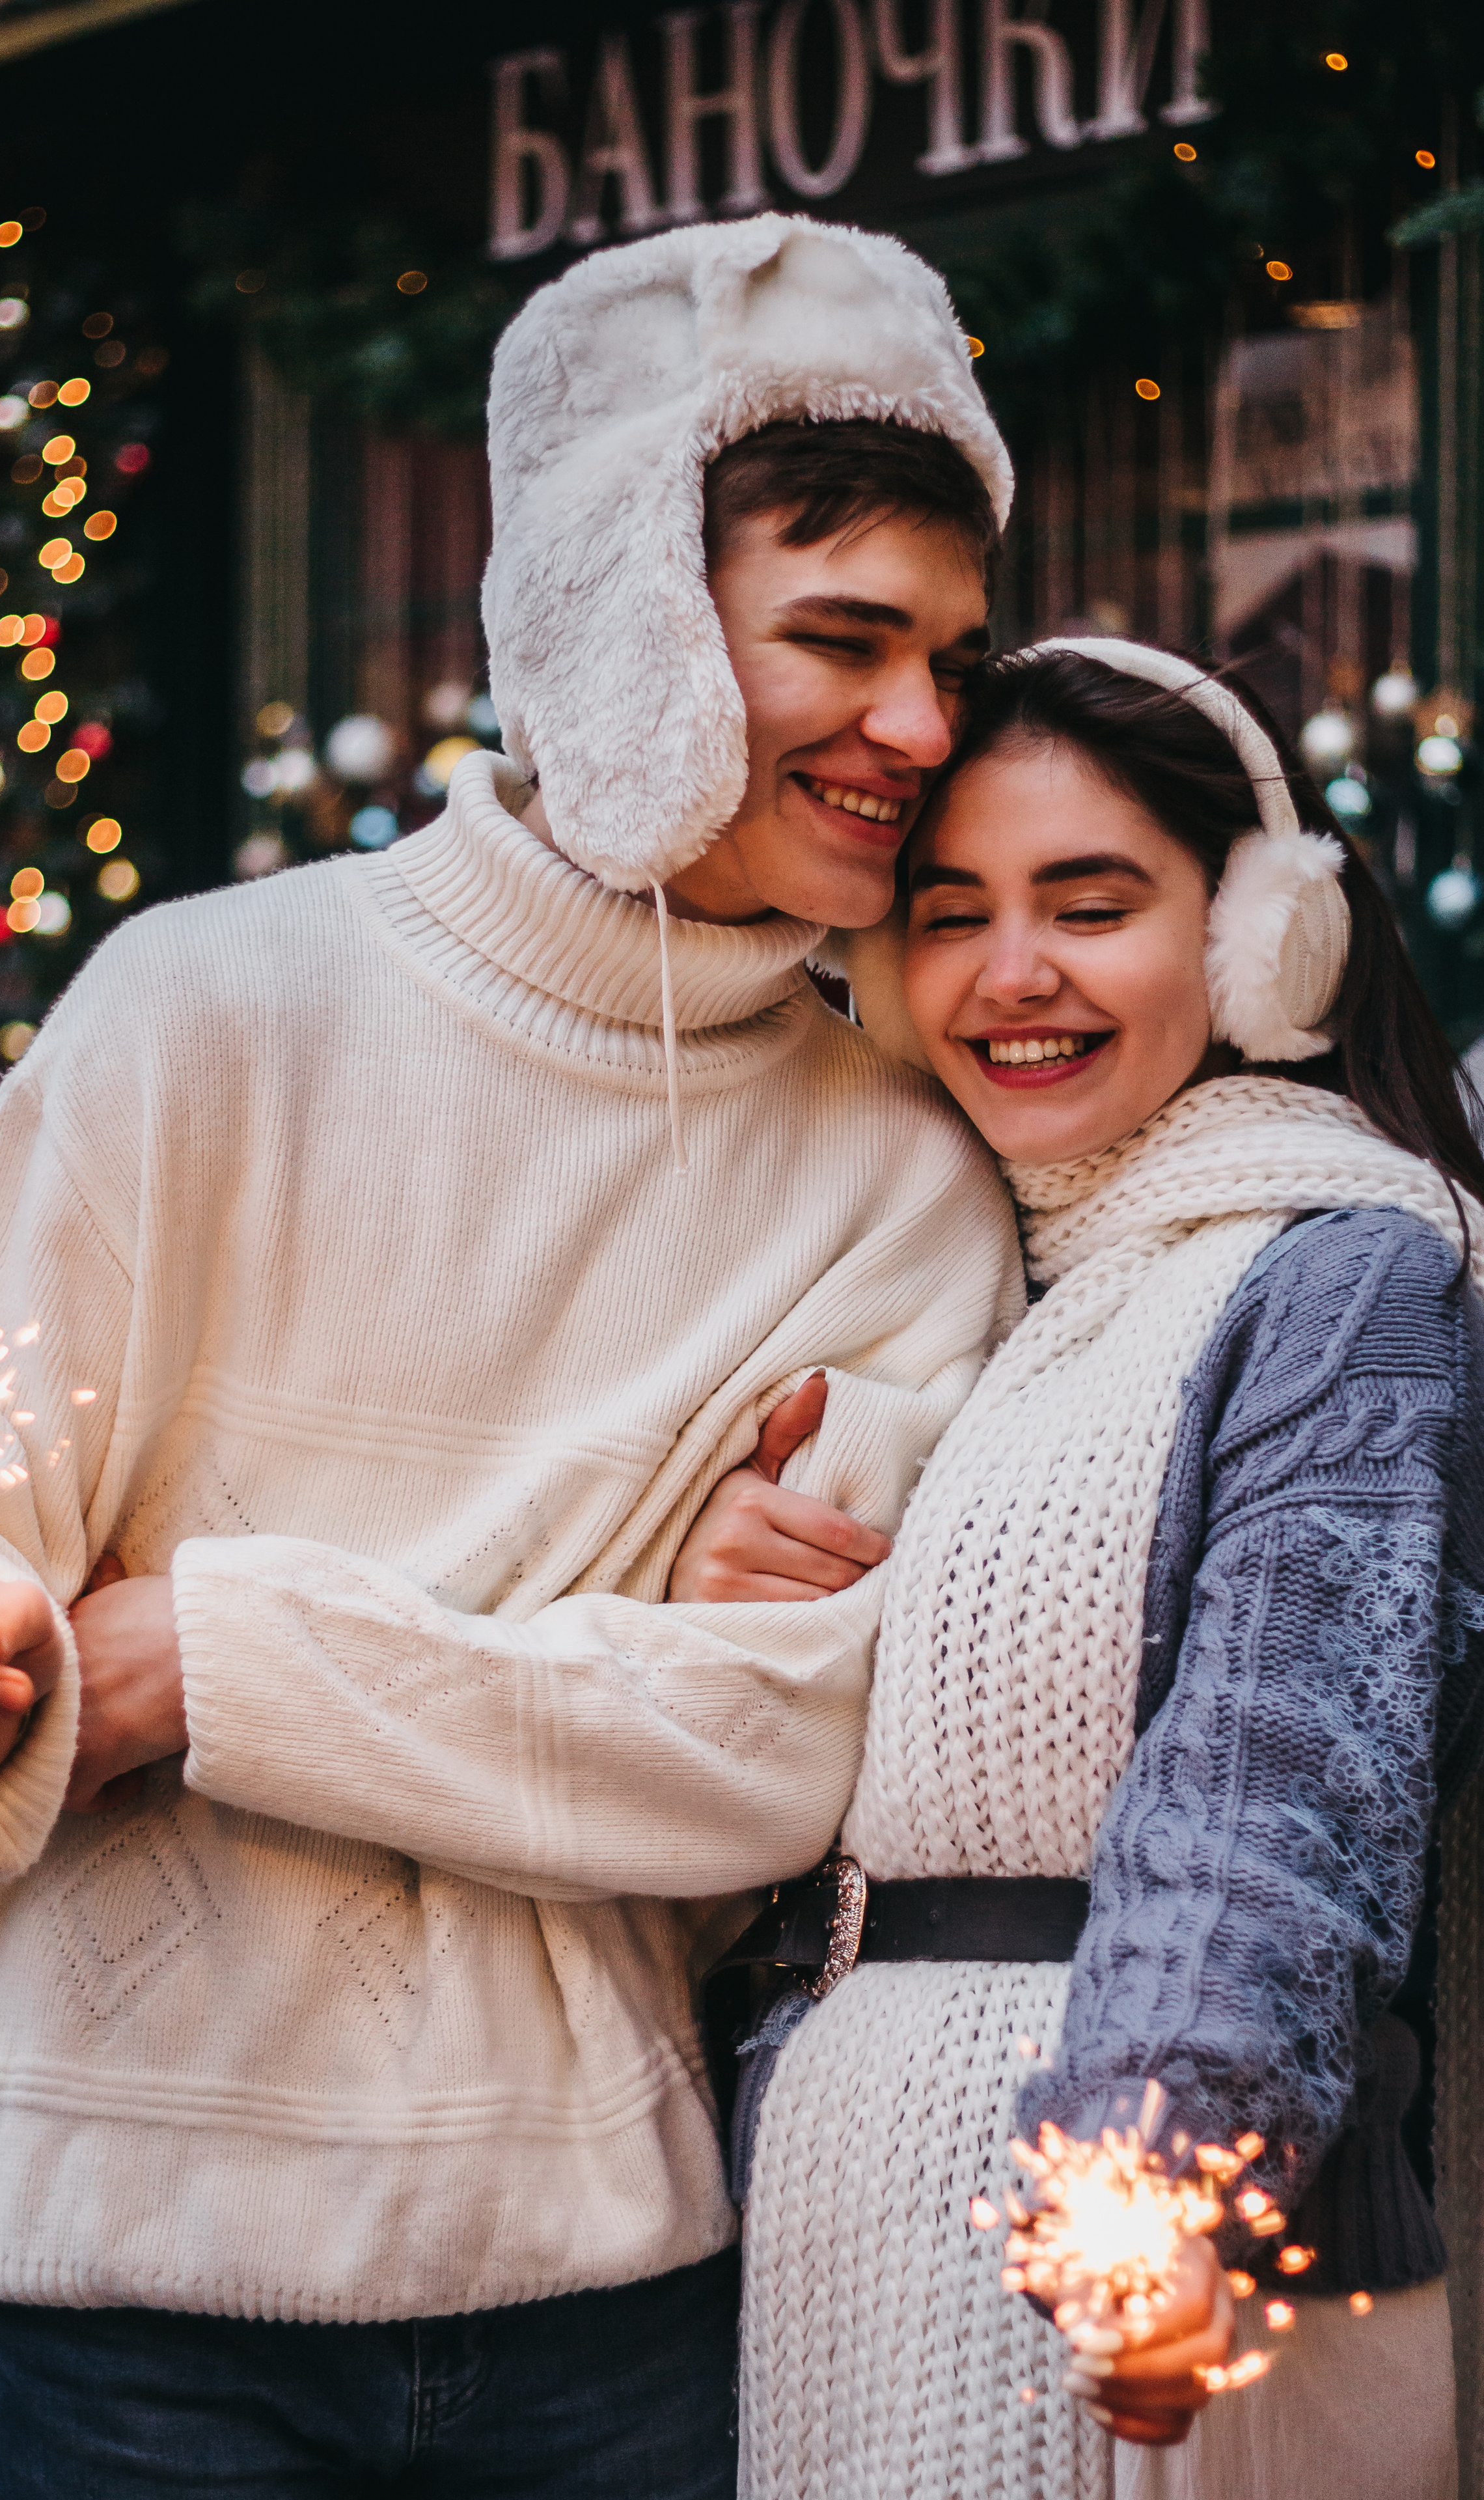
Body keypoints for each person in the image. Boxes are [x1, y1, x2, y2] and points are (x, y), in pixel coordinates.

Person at [0, 215, 1023, 2497]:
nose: (922, 732)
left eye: (952, 659)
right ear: (624, 631)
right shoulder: (202, 1009)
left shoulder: (904, 1167)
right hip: (118, 2291)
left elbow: (775, 1749)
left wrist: (193, 1663)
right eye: (845, 643)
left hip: (611, 2312)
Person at [674, 639, 1484, 2500]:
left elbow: (1281, 1789)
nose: (1011, 974)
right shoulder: (972, 1285)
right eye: (951, 914)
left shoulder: (1340, 1277)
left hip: (1152, 2238)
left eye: (1093, 904)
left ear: (1262, 935)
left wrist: (1165, 2172)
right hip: (851, 2211)